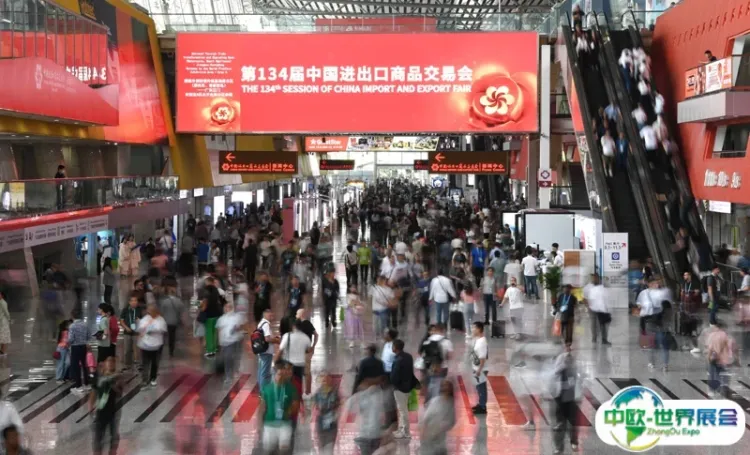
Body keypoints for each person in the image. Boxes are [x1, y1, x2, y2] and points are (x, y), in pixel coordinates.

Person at [259, 360, 299, 455]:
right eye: (279, 374)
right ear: (274, 375)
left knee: (283, 451)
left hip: (285, 424)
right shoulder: (267, 388)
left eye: (283, 375)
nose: (281, 377)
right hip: (269, 424)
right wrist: (259, 424)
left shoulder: (291, 388)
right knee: (269, 451)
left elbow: (296, 405)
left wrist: (289, 411)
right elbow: (262, 407)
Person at [89, 356, 124, 455]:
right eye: (108, 361)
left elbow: (119, 393)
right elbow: (93, 392)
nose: (111, 363)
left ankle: (112, 451)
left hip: (113, 410)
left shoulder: (117, 377)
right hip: (100, 410)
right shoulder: (99, 378)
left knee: (113, 434)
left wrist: (111, 383)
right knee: (98, 435)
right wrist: (91, 406)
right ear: (104, 363)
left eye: (113, 362)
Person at [551, 344, 580, 454]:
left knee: (572, 422)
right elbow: (554, 373)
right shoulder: (561, 359)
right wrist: (563, 365)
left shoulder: (576, 362)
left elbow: (579, 378)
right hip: (560, 396)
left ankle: (574, 441)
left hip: (571, 397)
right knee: (560, 423)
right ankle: (559, 447)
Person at [636, 280, 669, 371]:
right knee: (652, 343)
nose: (657, 285)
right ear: (650, 284)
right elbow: (639, 305)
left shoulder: (662, 294)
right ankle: (652, 362)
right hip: (649, 321)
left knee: (662, 344)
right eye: (655, 283)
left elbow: (667, 308)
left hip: (660, 322)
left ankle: (664, 364)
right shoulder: (643, 293)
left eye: (658, 283)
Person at [276, 319, 311, 400]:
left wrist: (276, 361)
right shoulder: (306, 337)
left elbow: (280, 350)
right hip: (300, 365)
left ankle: (287, 399)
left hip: (288, 365)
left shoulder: (287, 336)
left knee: (287, 383)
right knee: (298, 383)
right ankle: (298, 399)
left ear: (293, 326)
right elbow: (308, 350)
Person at [419, 380, 456, 455]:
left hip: (442, 439)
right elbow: (426, 417)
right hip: (430, 436)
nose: (446, 388)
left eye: (448, 386)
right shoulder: (435, 400)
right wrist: (423, 432)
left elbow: (452, 421)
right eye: (444, 386)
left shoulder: (452, 403)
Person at [390, 338, 417, 439]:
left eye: (392, 346)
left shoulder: (398, 360)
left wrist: (393, 383)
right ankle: (401, 429)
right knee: (402, 409)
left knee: (402, 410)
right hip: (408, 386)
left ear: (395, 348)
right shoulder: (408, 356)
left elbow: (394, 377)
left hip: (400, 388)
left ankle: (406, 432)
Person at [137, 303, 167, 387]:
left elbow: (163, 329)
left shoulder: (160, 319)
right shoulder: (145, 319)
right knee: (145, 363)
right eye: (150, 310)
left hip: (157, 346)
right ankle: (144, 379)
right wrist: (146, 328)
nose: (151, 312)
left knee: (155, 363)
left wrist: (153, 329)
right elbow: (140, 328)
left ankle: (153, 378)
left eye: (153, 310)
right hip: (145, 345)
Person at [216, 302, 246, 384]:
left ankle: (234, 372)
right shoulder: (221, 319)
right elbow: (218, 330)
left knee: (233, 357)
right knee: (227, 358)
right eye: (226, 307)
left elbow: (242, 327)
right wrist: (219, 342)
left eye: (229, 307)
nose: (227, 309)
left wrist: (237, 329)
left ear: (232, 308)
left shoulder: (236, 318)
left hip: (235, 341)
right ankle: (229, 376)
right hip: (225, 342)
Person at [705, 320, 735, 397]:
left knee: (712, 375)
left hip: (714, 358)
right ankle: (724, 389)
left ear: (717, 327)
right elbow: (731, 347)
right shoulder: (726, 336)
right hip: (725, 359)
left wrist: (708, 357)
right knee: (724, 375)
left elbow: (710, 348)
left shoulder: (712, 335)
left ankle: (712, 391)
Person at [313, 372, 340, 455]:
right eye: (323, 379)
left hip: (331, 422)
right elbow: (315, 406)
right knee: (321, 448)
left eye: (327, 379)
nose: (325, 381)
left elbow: (337, 404)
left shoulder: (335, 392)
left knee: (329, 449)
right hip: (320, 422)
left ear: (331, 380)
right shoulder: (317, 393)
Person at [158, 277, 184, 358]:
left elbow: (161, 312)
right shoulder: (179, 301)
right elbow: (181, 311)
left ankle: (160, 351)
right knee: (172, 337)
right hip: (174, 321)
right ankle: (171, 351)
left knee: (162, 337)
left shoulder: (164, 302)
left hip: (165, 321)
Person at [295, 309, 318, 397]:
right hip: (307, 351)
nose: (296, 316)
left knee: (303, 372)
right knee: (307, 372)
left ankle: (304, 392)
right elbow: (316, 334)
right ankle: (308, 391)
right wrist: (313, 346)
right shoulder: (308, 323)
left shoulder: (300, 325)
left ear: (301, 315)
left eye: (297, 314)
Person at [583, 274, 611, 345]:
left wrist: (606, 307)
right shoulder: (588, 287)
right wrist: (588, 306)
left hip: (601, 308)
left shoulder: (601, 287)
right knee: (594, 323)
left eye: (597, 278)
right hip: (592, 308)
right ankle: (594, 337)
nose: (595, 279)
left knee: (602, 324)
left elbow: (605, 298)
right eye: (594, 278)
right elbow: (584, 298)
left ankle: (603, 339)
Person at [200, 276, 224, 358]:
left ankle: (210, 351)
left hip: (209, 314)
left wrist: (200, 307)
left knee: (209, 333)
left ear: (207, 282)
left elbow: (205, 303)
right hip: (216, 314)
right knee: (214, 332)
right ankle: (215, 348)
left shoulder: (207, 290)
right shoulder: (216, 290)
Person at [69, 309, 91, 395]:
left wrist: (68, 342)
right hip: (83, 346)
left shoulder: (72, 326)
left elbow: (71, 339)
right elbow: (89, 336)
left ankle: (78, 386)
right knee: (85, 365)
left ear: (72, 316)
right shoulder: (85, 324)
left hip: (75, 347)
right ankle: (87, 384)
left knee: (76, 366)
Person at [256, 308, 279, 389]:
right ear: (265, 315)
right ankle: (263, 391)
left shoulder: (260, 323)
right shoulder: (266, 324)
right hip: (267, 351)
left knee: (261, 371)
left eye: (272, 315)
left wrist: (273, 337)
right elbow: (267, 339)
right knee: (265, 373)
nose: (272, 317)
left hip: (261, 350)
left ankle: (260, 389)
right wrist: (276, 341)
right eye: (270, 315)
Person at [118, 294, 141, 372]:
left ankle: (138, 364)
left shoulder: (139, 310)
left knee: (137, 349)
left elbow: (142, 321)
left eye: (136, 300)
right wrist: (126, 327)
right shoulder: (125, 310)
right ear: (129, 302)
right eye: (132, 301)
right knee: (127, 349)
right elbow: (121, 321)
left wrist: (139, 321)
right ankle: (127, 365)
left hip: (136, 332)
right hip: (127, 332)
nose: (134, 302)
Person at [470, 322, 489, 415]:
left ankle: (482, 406)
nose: (472, 330)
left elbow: (482, 358)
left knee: (481, 388)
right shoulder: (478, 340)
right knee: (479, 387)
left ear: (479, 329)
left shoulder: (482, 342)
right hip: (477, 367)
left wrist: (479, 370)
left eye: (473, 328)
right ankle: (480, 403)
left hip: (480, 369)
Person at [345, 284, 365, 349]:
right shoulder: (348, 296)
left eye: (354, 287)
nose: (353, 289)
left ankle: (361, 342)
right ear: (349, 289)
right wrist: (355, 303)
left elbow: (360, 303)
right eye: (352, 287)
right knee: (352, 327)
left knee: (359, 327)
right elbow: (350, 303)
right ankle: (351, 341)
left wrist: (356, 302)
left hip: (358, 313)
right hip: (350, 314)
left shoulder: (358, 296)